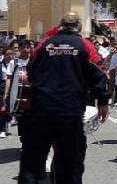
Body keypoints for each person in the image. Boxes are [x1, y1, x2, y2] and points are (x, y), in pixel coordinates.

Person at [17, 12, 110, 184]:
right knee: (69, 163)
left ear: (59, 25)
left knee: (32, 162)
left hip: (41, 108)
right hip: (70, 110)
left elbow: (29, 70)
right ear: (79, 27)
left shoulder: (44, 43)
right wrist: (103, 102)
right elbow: (100, 74)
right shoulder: (85, 45)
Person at [4, 40, 31, 144]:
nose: (25, 49)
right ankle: (24, 140)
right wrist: (6, 94)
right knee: (22, 119)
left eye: (27, 47)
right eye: (23, 47)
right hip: (19, 95)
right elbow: (9, 79)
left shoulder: (34, 61)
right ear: (19, 49)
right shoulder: (14, 62)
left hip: (32, 95)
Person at [0, 47, 14, 138]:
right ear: (4, 54)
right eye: (7, 54)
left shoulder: (15, 64)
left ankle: (8, 119)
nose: (9, 56)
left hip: (13, 85)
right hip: (1, 86)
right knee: (1, 108)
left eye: (11, 54)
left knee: (10, 108)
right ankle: (2, 130)